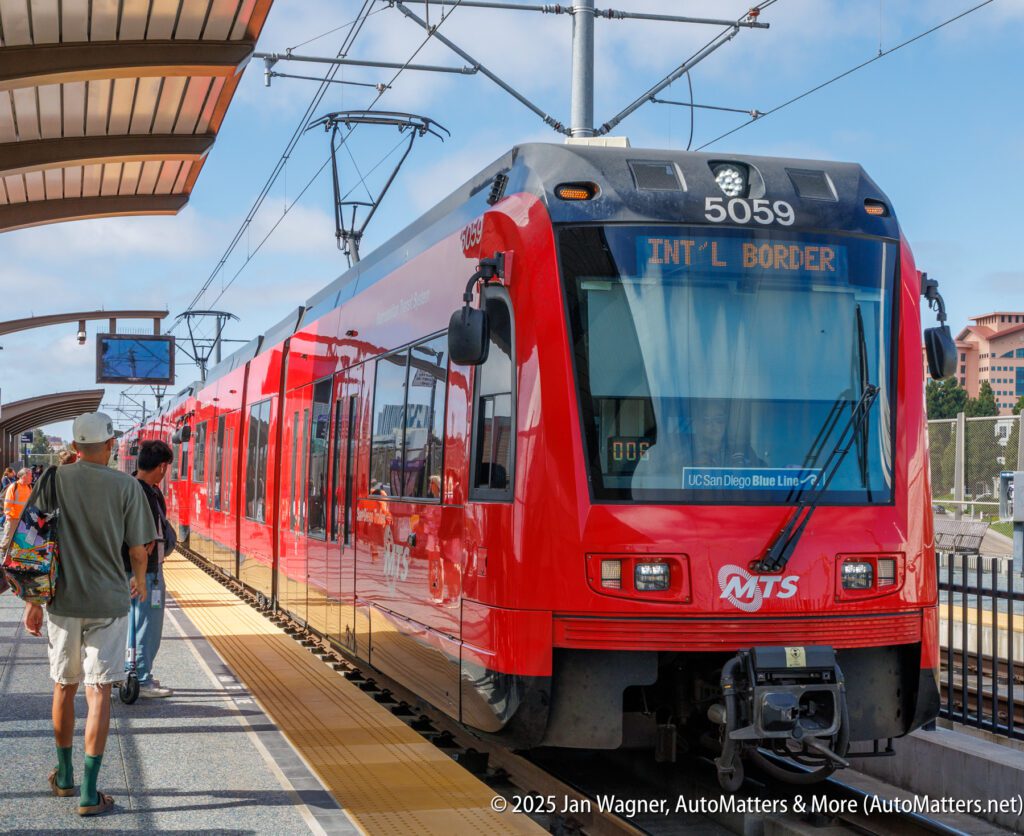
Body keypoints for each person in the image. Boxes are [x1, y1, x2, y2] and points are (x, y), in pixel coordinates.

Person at [22, 412, 156, 817]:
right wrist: (139, 580)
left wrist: (32, 601)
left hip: (62, 602)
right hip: (110, 603)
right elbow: (138, 549)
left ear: (76, 447)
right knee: (99, 692)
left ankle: (64, 778)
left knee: (64, 687)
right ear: (111, 444)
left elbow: (34, 544)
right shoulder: (127, 486)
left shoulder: (52, 480)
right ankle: (90, 793)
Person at [121, 440, 175, 698]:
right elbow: (145, 541)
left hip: (131, 569)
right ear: (162, 467)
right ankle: (140, 679)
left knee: (133, 623)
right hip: (146, 572)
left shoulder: (130, 486)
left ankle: (129, 673)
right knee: (146, 625)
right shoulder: (147, 493)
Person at [2, 468, 33, 549]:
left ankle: (13, 559)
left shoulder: (29, 487)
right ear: (24, 476)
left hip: (24, 519)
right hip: (13, 518)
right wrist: (8, 515)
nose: (32, 478)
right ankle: (2, 556)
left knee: (19, 540)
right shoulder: (14, 486)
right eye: (30, 476)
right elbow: (8, 502)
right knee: (7, 540)